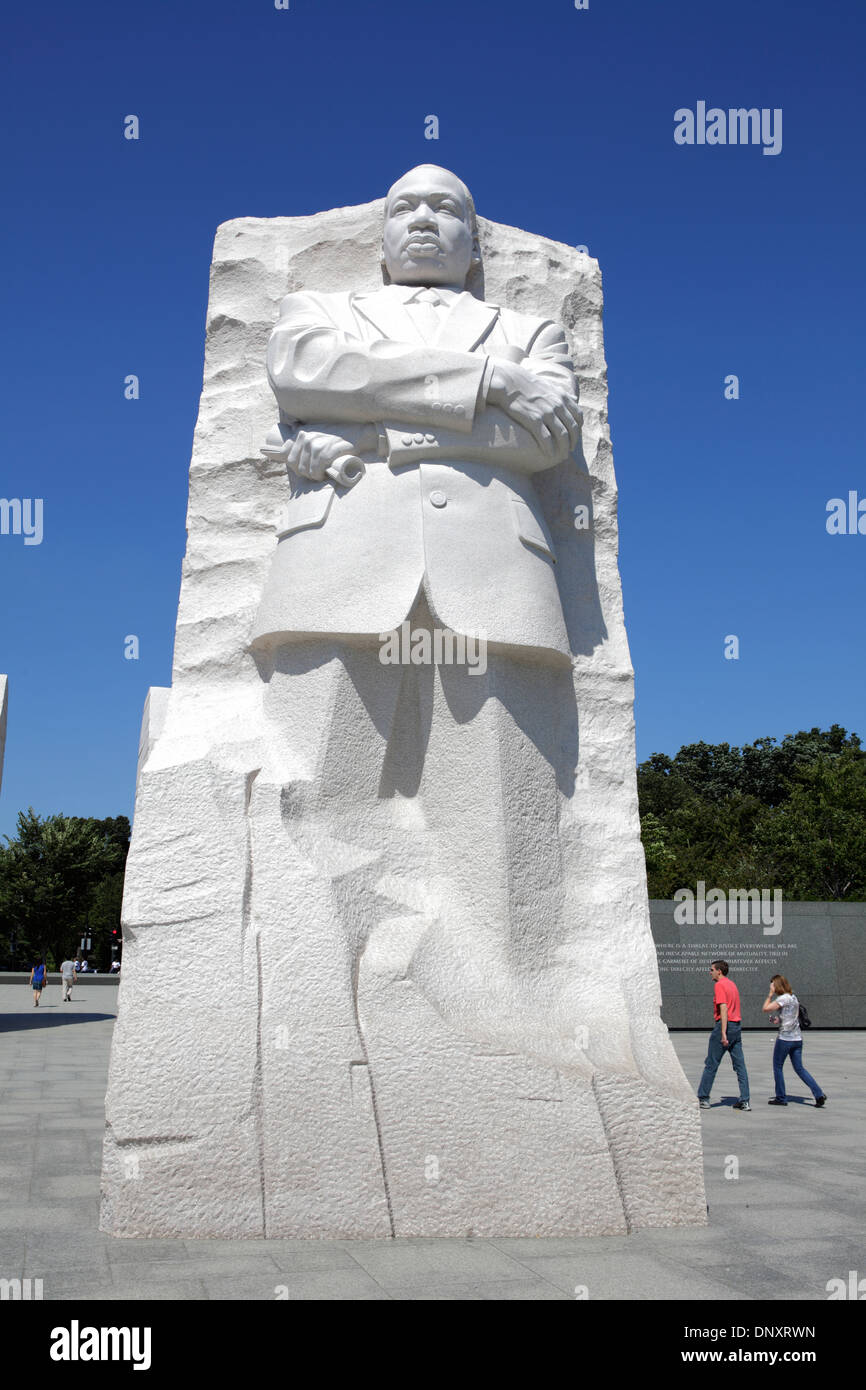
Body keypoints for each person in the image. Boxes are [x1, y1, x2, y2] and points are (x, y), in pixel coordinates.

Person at [762, 974, 827, 1106]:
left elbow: (765, 1008)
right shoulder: (793, 997)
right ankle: (818, 1094)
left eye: (772, 984)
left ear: (777, 985)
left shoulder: (783, 998)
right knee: (799, 1068)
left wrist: (769, 995)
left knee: (778, 1067)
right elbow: (789, 1017)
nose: (771, 987)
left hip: (785, 1039)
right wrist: (777, 1020)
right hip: (797, 1038)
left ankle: (781, 1097)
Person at [697, 959, 750, 1111]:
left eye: (711, 969)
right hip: (737, 1027)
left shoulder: (719, 985)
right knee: (740, 1066)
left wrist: (723, 1033)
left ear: (719, 971)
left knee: (711, 1063)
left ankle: (703, 1098)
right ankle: (745, 1100)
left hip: (725, 1027)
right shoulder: (732, 984)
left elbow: (724, 1008)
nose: (710, 972)